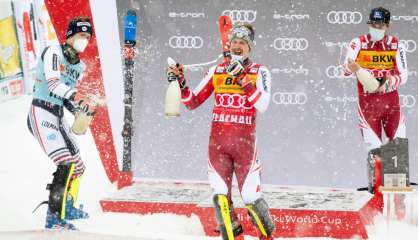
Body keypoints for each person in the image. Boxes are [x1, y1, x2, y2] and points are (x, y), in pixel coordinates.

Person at [167, 24, 275, 240]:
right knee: (220, 198)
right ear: (229, 45)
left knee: (251, 197)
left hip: (245, 147)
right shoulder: (217, 70)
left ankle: (268, 237)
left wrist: (242, 79)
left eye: (242, 43)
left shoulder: (260, 71)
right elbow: (192, 101)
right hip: (218, 147)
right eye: (234, 42)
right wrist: (180, 81)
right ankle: (234, 236)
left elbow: (262, 104)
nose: (237, 46)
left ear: (249, 48)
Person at [27, 16, 97, 230]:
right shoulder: (53, 52)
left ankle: (68, 206)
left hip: (57, 116)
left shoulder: (80, 65)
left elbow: (67, 97)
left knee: (79, 168)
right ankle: (54, 218)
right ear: (69, 36)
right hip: (40, 112)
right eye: (80, 35)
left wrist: (80, 112)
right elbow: (53, 84)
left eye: (87, 37)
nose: (84, 40)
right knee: (65, 163)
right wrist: (78, 97)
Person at [343, 7, 408, 195]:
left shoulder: (396, 45)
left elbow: (404, 75)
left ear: (388, 26)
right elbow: (345, 70)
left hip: (391, 104)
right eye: (373, 24)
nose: (377, 28)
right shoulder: (358, 43)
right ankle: (377, 198)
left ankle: (398, 199)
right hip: (368, 106)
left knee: (396, 148)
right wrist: (352, 68)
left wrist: (386, 84)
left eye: (380, 24)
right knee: (375, 152)